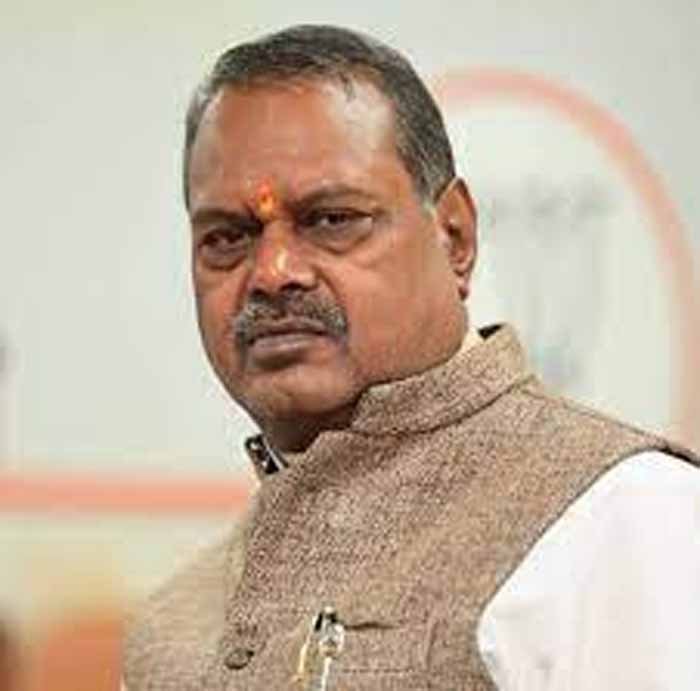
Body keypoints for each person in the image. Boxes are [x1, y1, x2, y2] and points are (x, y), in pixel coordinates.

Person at [122, 25, 700, 690]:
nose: (273, 271)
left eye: (331, 219)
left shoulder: (623, 520)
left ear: (455, 236)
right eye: (228, 236)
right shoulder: (173, 630)